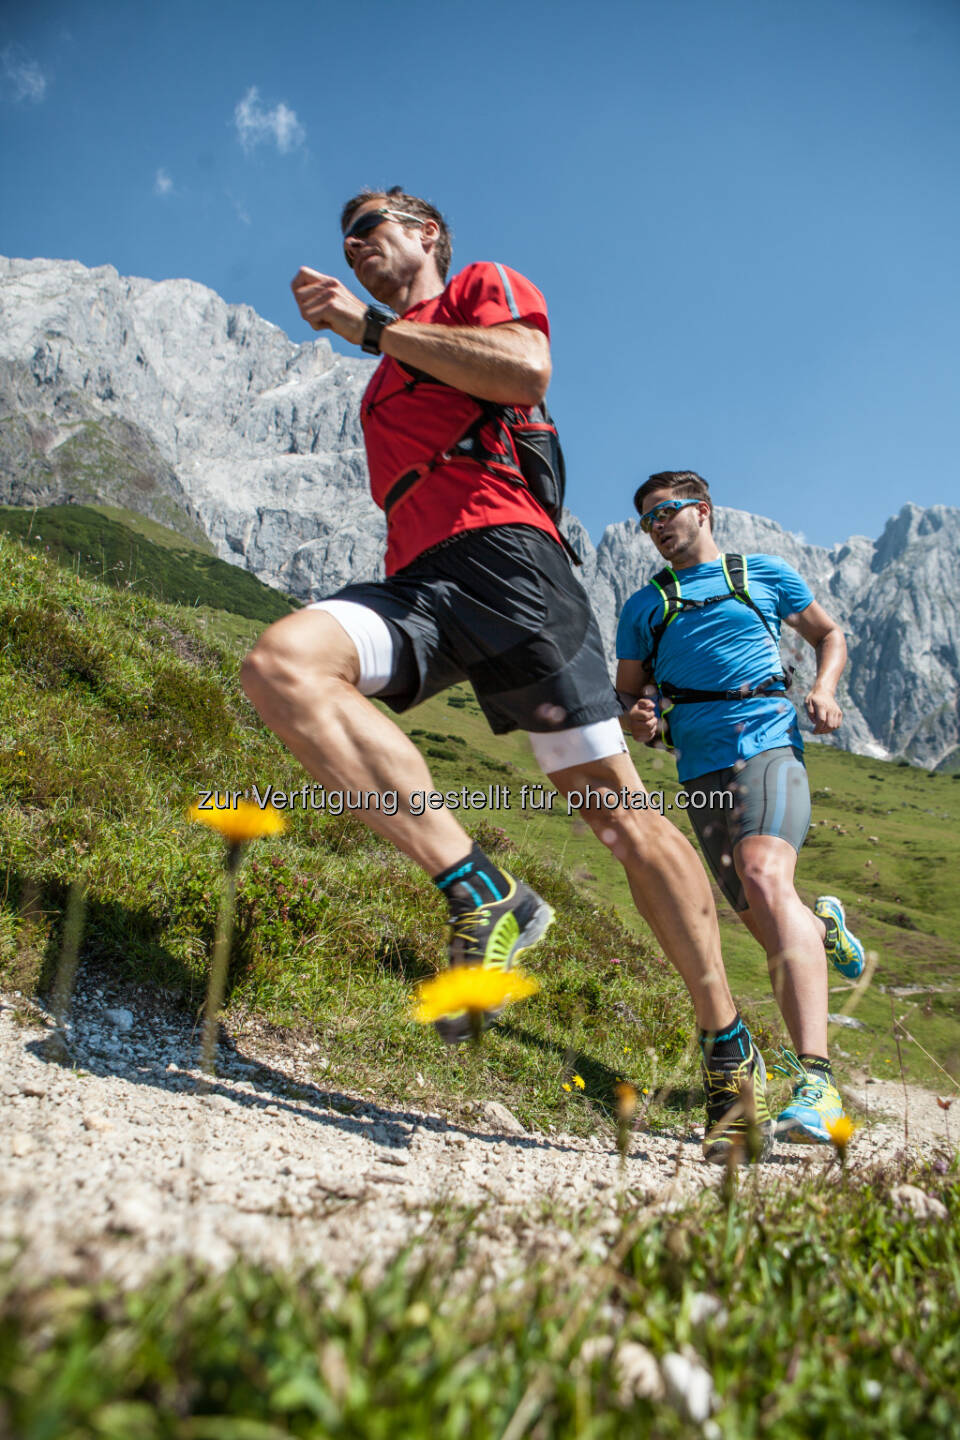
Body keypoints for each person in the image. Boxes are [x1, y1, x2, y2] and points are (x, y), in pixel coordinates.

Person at [241, 189, 771, 1160]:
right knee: (282, 667)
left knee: (616, 816)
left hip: (514, 567)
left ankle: (728, 1045)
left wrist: (373, 328)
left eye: (373, 226)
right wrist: (381, 342)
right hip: (423, 583)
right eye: (345, 237)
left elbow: (526, 367)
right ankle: (481, 889)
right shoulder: (378, 384)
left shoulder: (481, 287)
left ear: (428, 235)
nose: (355, 245)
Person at [617, 470, 866, 1144]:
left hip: (768, 742)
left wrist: (824, 689)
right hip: (700, 768)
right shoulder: (645, 605)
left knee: (761, 873)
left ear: (702, 510)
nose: (657, 527)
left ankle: (817, 1085)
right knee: (766, 922)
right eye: (647, 520)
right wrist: (640, 719)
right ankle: (821, 926)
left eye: (667, 512)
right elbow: (631, 698)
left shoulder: (762, 573)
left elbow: (829, 634)